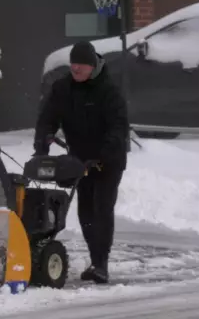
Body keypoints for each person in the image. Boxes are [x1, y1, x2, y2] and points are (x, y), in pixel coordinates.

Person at [33, 40, 129, 284]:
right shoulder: (62, 89)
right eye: (73, 65)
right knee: (85, 210)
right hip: (80, 160)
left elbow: (118, 128)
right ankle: (95, 260)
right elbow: (47, 118)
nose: (75, 70)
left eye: (81, 66)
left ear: (92, 66)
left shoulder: (108, 92)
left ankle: (101, 264)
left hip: (108, 160)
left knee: (102, 208)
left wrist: (104, 154)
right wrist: (42, 142)